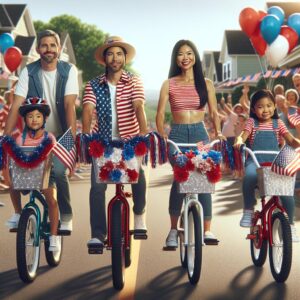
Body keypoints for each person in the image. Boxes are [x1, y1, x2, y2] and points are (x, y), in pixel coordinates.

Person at [4, 30, 79, 233]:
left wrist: (70, 143)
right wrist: (4, 137)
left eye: (53, 45)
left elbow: (69, 105)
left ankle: (66, 215)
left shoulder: (68, 70)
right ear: (38, 50)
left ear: (59, 49)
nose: (49, 50)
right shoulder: (29, 71)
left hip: (61, 134)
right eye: (44, 45)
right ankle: (19, 212)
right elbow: (16, 104)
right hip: (34, 134)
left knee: (58, 172)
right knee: (14, 167)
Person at [156, 39, 225, 247]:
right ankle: (172, 231)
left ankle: (208, 230)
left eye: (189, 53)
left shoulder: (207, 83)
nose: (185, 57)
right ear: (175, 59)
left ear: (194, 56)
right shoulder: (169, 83)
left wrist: (219, 133)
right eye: (180, 54)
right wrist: (161, 134)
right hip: (176, 135)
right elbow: (160, 113)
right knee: (180, 178)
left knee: (203, 179)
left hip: (199, 134)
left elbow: (213, 112)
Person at [82, 36, 148, 249]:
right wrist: (85, 134)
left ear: (125, 58)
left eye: (119, 53)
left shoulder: (134, 81)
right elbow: (88, 110)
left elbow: (138, 106)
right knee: (97, 188)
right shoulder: (93, 84)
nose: (115, 58)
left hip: (129, 141)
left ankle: (139, 214)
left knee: (139, 177)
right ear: (104, 59)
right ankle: (98, 234)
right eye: (110, 53)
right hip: (102, 142)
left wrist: (144, 134)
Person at [234, 89, 300, 242]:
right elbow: (243, 135)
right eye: (260, 106)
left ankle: (290, 225)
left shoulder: (278, 123)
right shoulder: (252, 122)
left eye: (269, 106)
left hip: (275, 163)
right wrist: (238, 141)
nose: (265, 110)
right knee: (250, 176)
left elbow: (290, 140)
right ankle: (248, 209)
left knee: (286, 191)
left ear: (274, 107)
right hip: (255, 160)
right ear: (253, 109)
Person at [5, 97, 60, 251]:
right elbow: (12, 153)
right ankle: (17, 213)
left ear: (44, 118)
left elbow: (49, 155)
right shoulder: (19, 137)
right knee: (12, 182)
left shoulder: (49, 138)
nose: (34, 120)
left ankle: (54, 236)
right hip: (23, 172)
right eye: (30, 116)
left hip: (44, 172)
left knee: (52, 200)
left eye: (38, 116)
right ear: (25, 119)